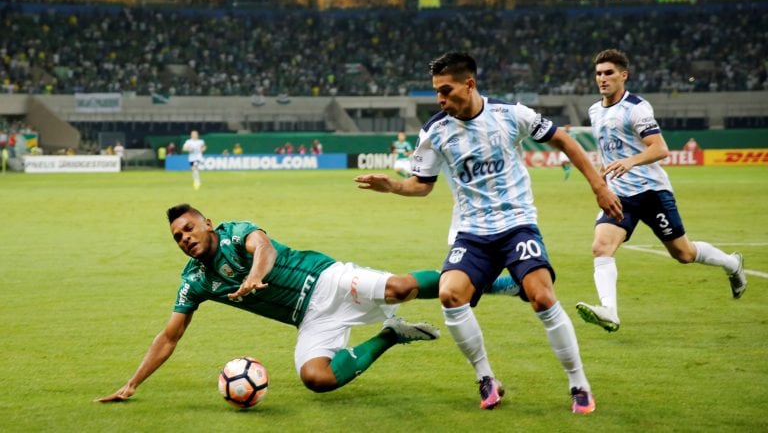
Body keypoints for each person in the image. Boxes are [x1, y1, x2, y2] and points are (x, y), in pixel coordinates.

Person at [354, 52, 623, 413]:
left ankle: (578, 382)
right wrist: (394, 187)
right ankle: (486, 378)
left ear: (469, 84)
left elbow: (565, 141)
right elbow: (422, 184)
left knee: (541, 296)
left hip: (517, 225)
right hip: (472, 233)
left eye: (446, 90)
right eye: (437, 92)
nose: (440, 99)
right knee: (450, 295)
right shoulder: (435, 130)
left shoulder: (511, 115)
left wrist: (599, 187)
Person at [96, 204, 518, 403]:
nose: (185, 238)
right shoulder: (195, 281)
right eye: (177, 237)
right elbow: (169, 336)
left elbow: (263, 247)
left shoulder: (233, 232)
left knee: (402, 288)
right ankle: (390, 336)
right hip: (308, 317)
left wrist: (255, 276)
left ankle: (491, 282)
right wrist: (133, 383)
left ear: (207, 223)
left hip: (326, 279)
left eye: (189, 228)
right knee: (316, 379)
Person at [575, 49, 746, 333]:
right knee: (601, 246)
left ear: (623, 75)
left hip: (651, 192)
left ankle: (731, 264)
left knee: (684, 254)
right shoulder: (594, 110)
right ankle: (610, 312)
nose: (602, 79)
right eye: (598, 73)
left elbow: (660, 148)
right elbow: (610, 149)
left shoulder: (637, 108)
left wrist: (630, 161)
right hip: (620, 195)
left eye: (609, 73)